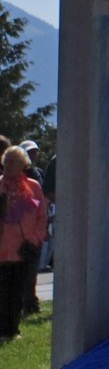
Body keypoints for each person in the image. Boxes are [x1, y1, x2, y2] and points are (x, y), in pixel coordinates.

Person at [0, 146, 48, 340]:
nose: (8, 166)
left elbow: (41, 217)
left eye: (13, 162)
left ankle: (13, 329)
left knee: (18, 290)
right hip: (2, 250)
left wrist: (35, 239)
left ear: (23, 165)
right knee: (2, 292)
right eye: (6, 162)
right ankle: (3, 330)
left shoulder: (33, 186)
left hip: (24, 249)